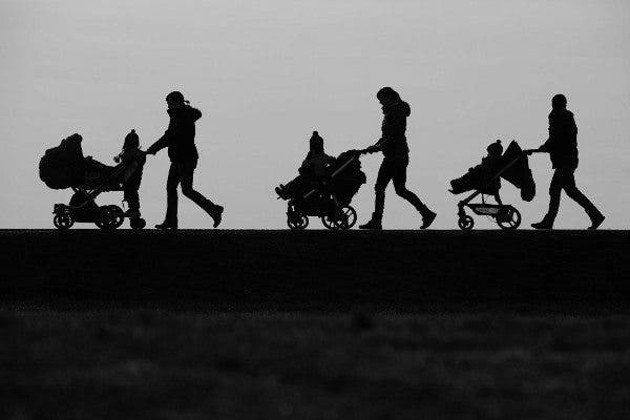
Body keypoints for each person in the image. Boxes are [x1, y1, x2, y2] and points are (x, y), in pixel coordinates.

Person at [358, 87, 436, 230]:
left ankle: (377, 220)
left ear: (389, 97)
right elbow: (386, 136)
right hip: (394, 156)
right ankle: (426, 213)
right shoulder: (393, 112)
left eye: (381, 99)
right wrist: (374, 146)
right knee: (398, 189)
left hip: (396, 157)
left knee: (383, 188)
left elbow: (394, 135)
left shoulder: (396, 112)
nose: (380, 103)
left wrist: (378, 147)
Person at [146, 91, 223, 230]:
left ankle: (173, 220)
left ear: (177, 101)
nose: (168, 106)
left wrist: (153, 149)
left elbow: (170, 136)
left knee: (178, 189)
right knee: (183, 189)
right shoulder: (181, 115)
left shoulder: (181, 116)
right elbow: (170, 136)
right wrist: (154, 148)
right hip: (181, 158)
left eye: (169, 102)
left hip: (184, 158)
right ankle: (212, 210)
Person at [526, 94, 604, 229]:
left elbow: (557, 137)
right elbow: (558, 138)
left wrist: (544, 148)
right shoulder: (565, 116)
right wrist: (544, 147)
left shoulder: (558, 117)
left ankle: (595, 215)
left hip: (564, 161)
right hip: (567, 159)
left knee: (570, 190)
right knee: (555, 190)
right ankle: (549, 221)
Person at [275, 131, 335, 200]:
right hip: (311, 176)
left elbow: (332, 162)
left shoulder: (323, 157)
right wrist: (307, 161)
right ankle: (286, 190)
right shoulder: (311, 156)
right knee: (299, 178)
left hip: (317, 178)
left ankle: (287, 191)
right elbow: (303, 167)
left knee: (301, 179)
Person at [113, 129, 146, 220]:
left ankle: (134, 209)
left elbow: (120, 161)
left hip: (130, 176)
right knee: (130, 191)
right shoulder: (136, 152)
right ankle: (133, 209)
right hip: (133, 176)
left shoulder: (131, 152)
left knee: (130, 190)